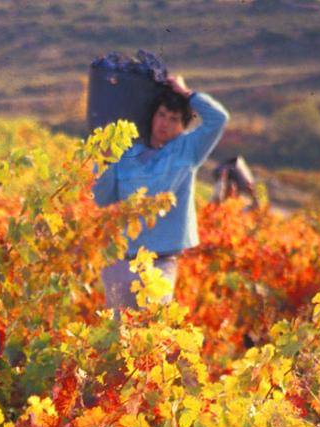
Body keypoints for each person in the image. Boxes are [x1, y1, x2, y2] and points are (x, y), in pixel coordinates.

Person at [92, 75, 228, 314]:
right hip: (121, 260)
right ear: (152, 116)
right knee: (117, 334)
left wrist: (187, 94)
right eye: (161, 115)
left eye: (174, 119)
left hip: (162, 259)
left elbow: (219, 119)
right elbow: (102, 198)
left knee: (152, 328)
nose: (164, 123)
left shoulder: (188, 150)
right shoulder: (126, 154)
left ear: (183, 126)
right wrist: (102, 161)